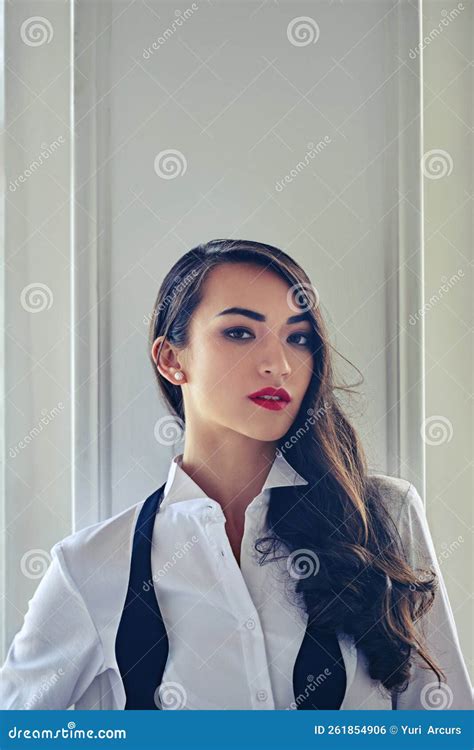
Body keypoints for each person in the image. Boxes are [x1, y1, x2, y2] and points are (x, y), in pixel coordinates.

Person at [0, 239, 472, 710]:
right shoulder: (90, 567)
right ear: (170, 359)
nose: (279, 364)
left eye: (298, 337)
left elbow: (444, 724)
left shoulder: (381, 515)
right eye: (241, 333)